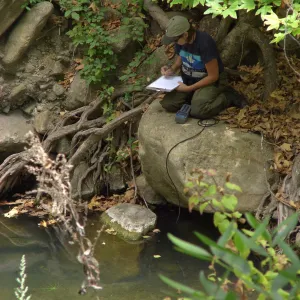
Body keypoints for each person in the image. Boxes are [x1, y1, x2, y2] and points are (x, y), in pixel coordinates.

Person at [160, 16, 247, 119]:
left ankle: (228, 96)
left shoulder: (204, 43)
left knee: (198, 111)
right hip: (188, 78)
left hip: (209, 81)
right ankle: (194, 97)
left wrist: (188, 89)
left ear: (185, 34)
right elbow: (181, 57)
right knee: (168, 104)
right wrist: (172, 69)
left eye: (175, 39)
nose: (173, 42)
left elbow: (213, 76)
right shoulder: (180, 41)